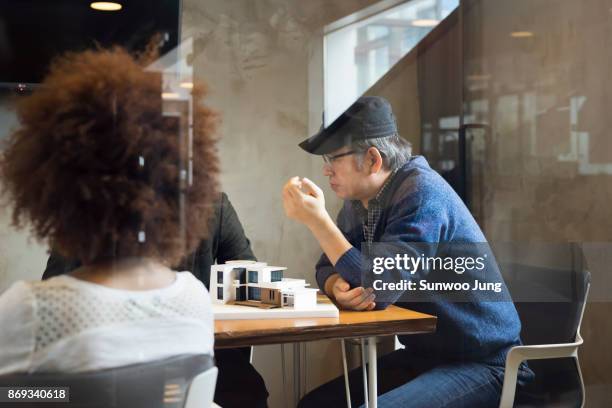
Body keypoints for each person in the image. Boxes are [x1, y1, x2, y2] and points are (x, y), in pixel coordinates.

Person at [282, 96, 534, 407]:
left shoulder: (422, 194)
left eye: (333, 158)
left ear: (373, 160)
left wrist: (317, 221)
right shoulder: (360, 202)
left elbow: (379, 286)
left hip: (486, 364)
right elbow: (327, 265)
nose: (326, 171)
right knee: (315, 404)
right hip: (425, 356)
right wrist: (337, 285)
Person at [0, 47, 220, 377]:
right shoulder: (194, 300)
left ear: (56, 190)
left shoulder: (32, 310)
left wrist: (58, 397)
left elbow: (19, 397)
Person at [42, 192, 270, 408]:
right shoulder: (86, 212)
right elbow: (53, 294)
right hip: (109, 354)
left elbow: (248, 276)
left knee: (250, 392)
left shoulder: (212, 206)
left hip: (196, 354)